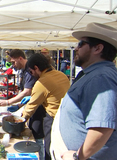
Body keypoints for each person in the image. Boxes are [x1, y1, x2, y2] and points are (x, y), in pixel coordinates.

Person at [51, 22, 117, 160]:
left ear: (98, 48)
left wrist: (77, 156)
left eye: (81, 44)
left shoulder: (101, 77)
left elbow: (102, 128)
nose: (76, 48)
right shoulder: (94, 74)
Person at [0, 49, 45, 159]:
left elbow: (27, 91)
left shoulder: (29, 70)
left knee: (38, 137)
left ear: (20, 59)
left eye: (13, 62)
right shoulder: (24, 70)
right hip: (31, 106)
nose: (12, 65)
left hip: (39, 108)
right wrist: (19, 105)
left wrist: (8, 102)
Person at [22, 53, 70, 160]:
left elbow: (31, 107)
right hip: (67, 118)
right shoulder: (61, 75)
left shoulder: (42, 82)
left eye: (31, 71)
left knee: (49, 150)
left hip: (53, 119)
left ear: (36, 68)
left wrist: (20, 120)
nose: (32, 74)